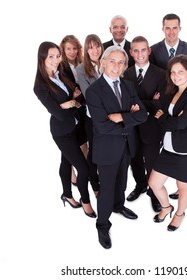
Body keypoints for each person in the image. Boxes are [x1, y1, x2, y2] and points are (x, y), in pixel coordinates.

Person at [86, 46, 147, 249]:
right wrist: (130, 118)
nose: (117, 66)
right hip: (107, 149)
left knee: (122, 183)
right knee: (107, 189)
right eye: (112, 61)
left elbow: (143, 115)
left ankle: (119, 206)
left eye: (121, 62)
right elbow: (102, 126)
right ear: (103, 63)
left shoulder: (129, 86)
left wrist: (121, 116)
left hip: (127, 145)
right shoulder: (94, 91)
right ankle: (102, 224)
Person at [34, 41, 96, 218]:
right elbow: (57, 112)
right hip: (62, 131)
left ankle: (67, 194)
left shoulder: (59, 74)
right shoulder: (40, 85)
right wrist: (70, 102)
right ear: (42, 58)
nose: (55, 60)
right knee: (83, 169)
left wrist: (73, 99)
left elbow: (72, 98)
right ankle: (86, 202)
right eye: (51, 57)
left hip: (75, 125)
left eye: (57, 56)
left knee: (66, 161)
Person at [149, 54, 187, 231]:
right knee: (154, 184)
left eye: (180, 71)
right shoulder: (170, 93)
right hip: (168, 148)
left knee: (183, 188)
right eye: (173, 72)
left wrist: (165, 117)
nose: (176, 75)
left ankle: (179, 214)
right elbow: (163, 118)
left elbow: (180, 123)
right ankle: (166, 207)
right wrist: (168, 118)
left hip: (185, 151)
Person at [124, 36, 167, 212]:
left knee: (152, 161)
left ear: (149, 51)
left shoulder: (161, 73)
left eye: (143, 50)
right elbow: (126, 102)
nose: (140, 54)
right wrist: (150, 101)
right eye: (136, 50)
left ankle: (153, 192)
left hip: (152, 126)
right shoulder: (126, 74)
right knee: (134, 159)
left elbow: (161, 102)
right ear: (131, 52)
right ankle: (140, 185)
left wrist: (140, 104)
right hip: (132, 128)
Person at [76, 34, 104, 196]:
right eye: (91, 47)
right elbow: (89, 95)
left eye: (97, 46)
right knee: (94, 152)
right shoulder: (81, 69)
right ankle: (95, 184)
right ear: (86, 50)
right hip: (92, 118)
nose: (95, 50)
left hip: (111, 117)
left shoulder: (108, 63)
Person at [59, 35, 88, 186]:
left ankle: (84, 172)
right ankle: (72, 176)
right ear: (63, 50)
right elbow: (65, 92)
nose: (72, 52)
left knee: (83, 143)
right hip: (70, 112)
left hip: (82, 110)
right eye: (68, 49)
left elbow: (85, 89)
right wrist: (75, 96)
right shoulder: (60, 66)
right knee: (69, 149)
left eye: (74, 48)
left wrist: (79, 96)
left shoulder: (82, 64)